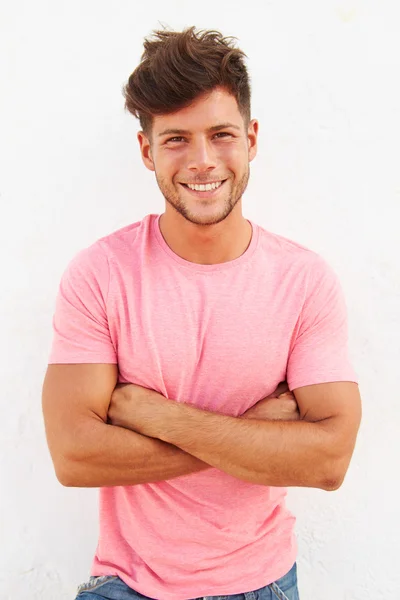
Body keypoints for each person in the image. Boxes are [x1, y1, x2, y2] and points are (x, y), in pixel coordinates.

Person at [42, 26, 362, 600]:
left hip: (262, 584)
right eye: (176, 140)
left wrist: (154, 415)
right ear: (147, 151)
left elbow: (329, 460)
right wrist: (255, 434)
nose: (203, 161)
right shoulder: (100, 275)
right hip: (128, 585)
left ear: (252, 139)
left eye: (221, 134)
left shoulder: (304, 281)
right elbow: (74, 455)